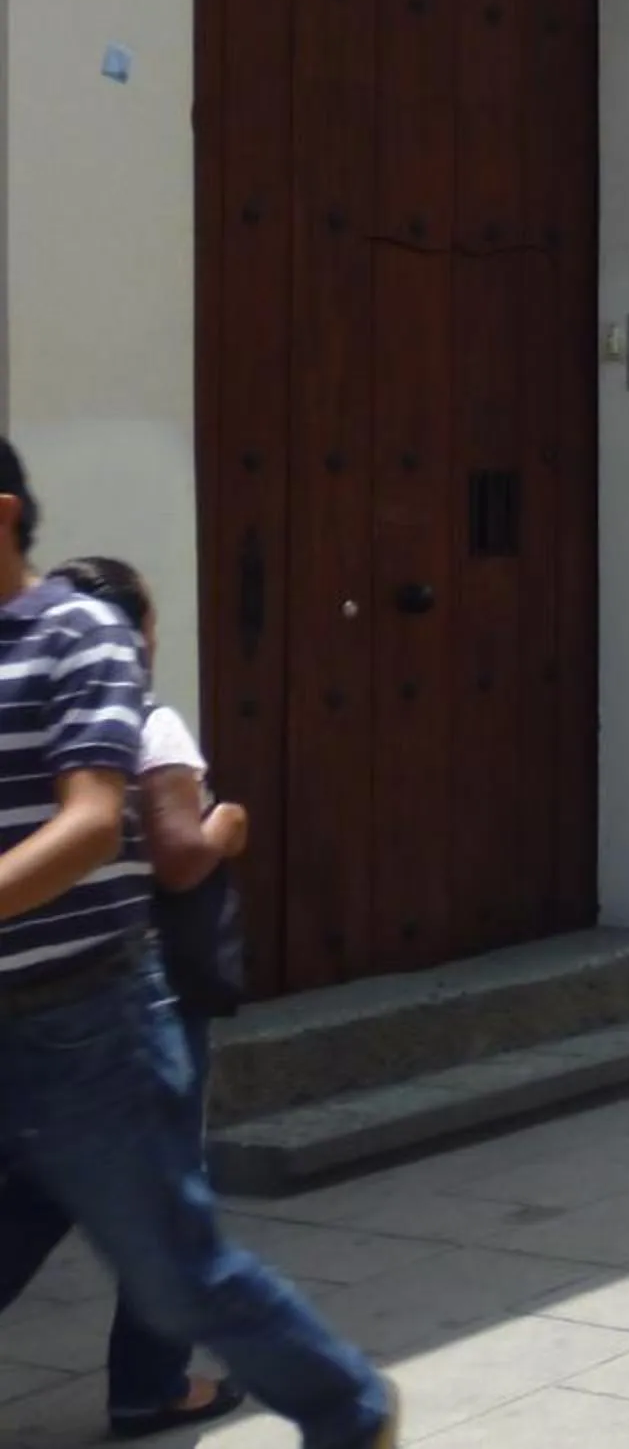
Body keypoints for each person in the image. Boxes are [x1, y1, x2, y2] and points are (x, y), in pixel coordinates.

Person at [0, 438, 396, 1448]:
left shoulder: (76, 633)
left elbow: (93, 823)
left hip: (86, 1026)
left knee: (177, 1275)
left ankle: (348, 1410)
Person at [0, 554, 252, 1436]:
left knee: (34, 1185)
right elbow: (182, 856)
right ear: (138, 629)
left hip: (35, 990)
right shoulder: (148, 723)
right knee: (164, 1192)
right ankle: (152, 1383)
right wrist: (229, 821)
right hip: (141, 989)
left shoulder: (27, 724)